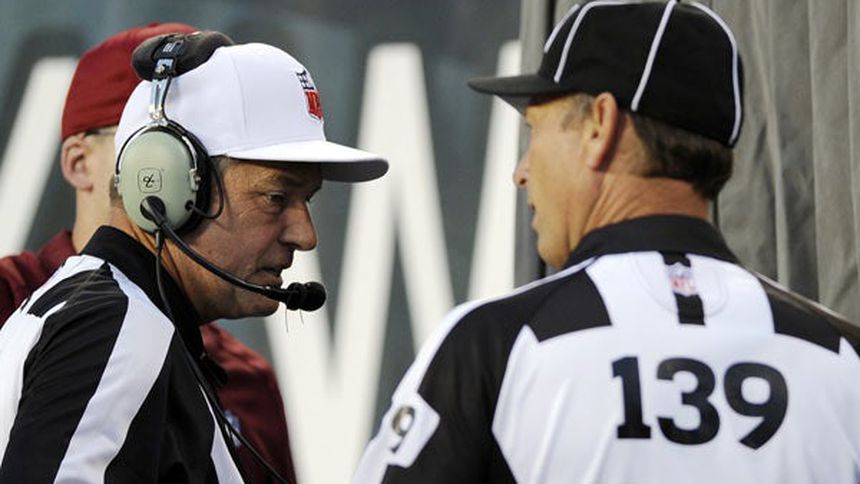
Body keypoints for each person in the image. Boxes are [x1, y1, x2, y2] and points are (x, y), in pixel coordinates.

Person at [353, 2, 860, 483]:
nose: (521, 172)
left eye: (534, 131)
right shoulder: (843, 353)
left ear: (601, 124)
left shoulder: (494, 344)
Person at [0, 30, 387, 483]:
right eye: (276, 197)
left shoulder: (118, 316)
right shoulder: (117, 325)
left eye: (308, 201)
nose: (305, 235)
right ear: (165, 185)